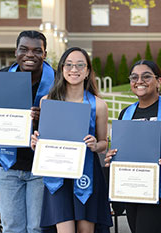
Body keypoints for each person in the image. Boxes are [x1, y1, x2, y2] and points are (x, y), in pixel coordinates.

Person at [0, 30, 55, 233]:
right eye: (24, 49)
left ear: (45, 54)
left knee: (37, 228)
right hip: (6, 165)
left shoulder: (56, 82)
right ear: (16, 52)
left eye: (37, 50)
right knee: (12, 227)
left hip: (41, 166)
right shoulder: (3, 77)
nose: (30, 55)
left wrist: (45, 119)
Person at [30, 47, 112, 233]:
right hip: (57, 176)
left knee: (85, 230)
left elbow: (103, 143)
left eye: (80, 65)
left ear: (87, 71)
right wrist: (36, 143)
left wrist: (95, 145)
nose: (74, 69)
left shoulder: (98, 105)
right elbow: (44, 141)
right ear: (62, 68)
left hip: (87, 176)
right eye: (69, 64)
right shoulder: (48, 102)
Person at [104, 60, 161, 233]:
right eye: (134, 77)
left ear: (158, 81)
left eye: (146, 76)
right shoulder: (125, 113)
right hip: (133, 188)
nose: (139, 81)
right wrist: (113, 156)